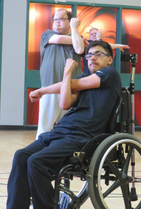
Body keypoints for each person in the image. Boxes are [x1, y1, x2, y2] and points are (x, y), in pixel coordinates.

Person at [6, 41, 122, 209]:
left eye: (98, 54)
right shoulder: (83, 78)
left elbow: (73, 85)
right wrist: (66, 76)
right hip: (60, 131)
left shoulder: (110, 75)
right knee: (21, 156)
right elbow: (65, 103)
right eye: (89, 55)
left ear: (109, 60)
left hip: (82, 136)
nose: (92, 58)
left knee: (37, 162)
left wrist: (48, 87)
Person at [35, 9, 86, 139]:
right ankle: (38, 152)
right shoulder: (47, 34)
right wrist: (78, 38)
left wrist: (75, 29)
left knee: (67, 126)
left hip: (70, 89)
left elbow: (80, 49)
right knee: (45, 126)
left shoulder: (77, 37)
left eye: (62, 19)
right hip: (50, 87)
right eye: (55, 19)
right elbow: (59, 40)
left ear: (70, 22)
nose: (57, 22)